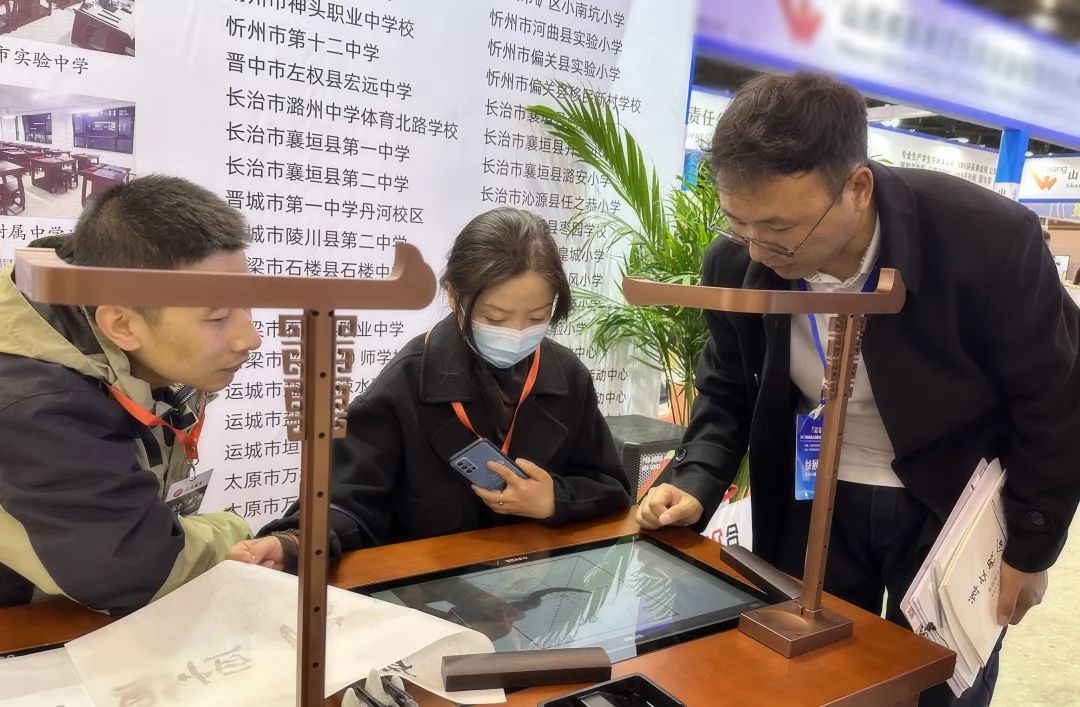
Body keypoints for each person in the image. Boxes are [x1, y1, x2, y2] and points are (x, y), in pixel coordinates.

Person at [635, 72, 1080, 706]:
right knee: (809, 681)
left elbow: (1054, 400)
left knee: (939, 682)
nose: (758, 251)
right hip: (811, 495)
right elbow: (727, 387)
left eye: (780, 228)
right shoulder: (738, 262)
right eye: (739, 224)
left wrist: (1034, 544)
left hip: (950, 501)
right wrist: (695, 478)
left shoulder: (985, 240)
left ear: (857, 187)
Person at [233, 207, 632, 568]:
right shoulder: (407, 382)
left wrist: (554, 499)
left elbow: (610, 486)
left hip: (538, 581)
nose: (516, 333)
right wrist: (293, 543)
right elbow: (346, 502)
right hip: (430, 593)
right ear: (454, 295)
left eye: (537, 317)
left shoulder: (567, 375)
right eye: (495, 317)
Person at [0, 175, 262, 614]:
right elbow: (130, 570)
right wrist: (234, 531)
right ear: (121, 325)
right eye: (217, 318)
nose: (249, 338)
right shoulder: (34, 403)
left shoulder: (116, 336)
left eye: (248, 303)